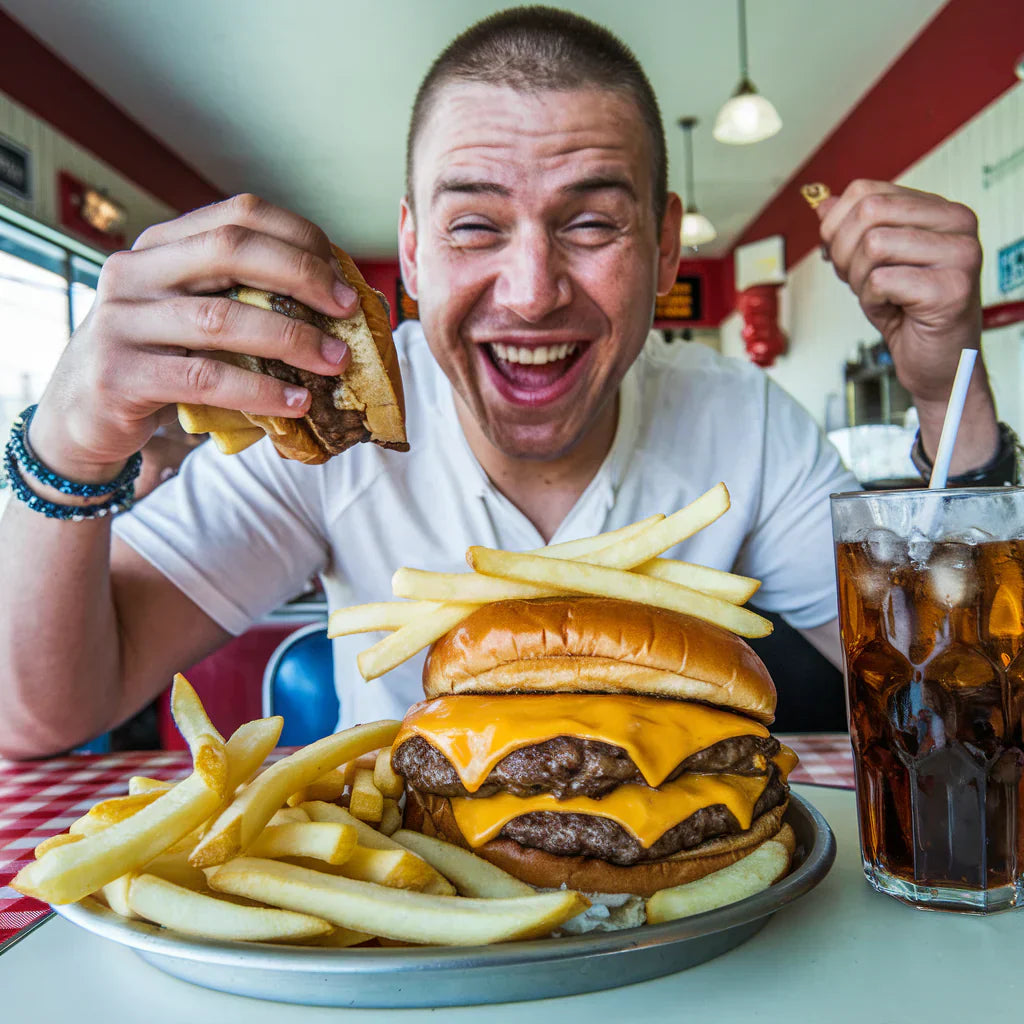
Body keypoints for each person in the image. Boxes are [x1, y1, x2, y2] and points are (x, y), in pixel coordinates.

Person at [0, 7, 1005, 759]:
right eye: (474, 225)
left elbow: (958, 695)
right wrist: (69, 447)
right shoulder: (324, 423)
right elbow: (43, 714)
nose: (529, 294)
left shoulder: (743, 421)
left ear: (662, 249)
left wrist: (946, 405)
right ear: (414, 252)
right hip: (398, 916)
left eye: (591, 223)